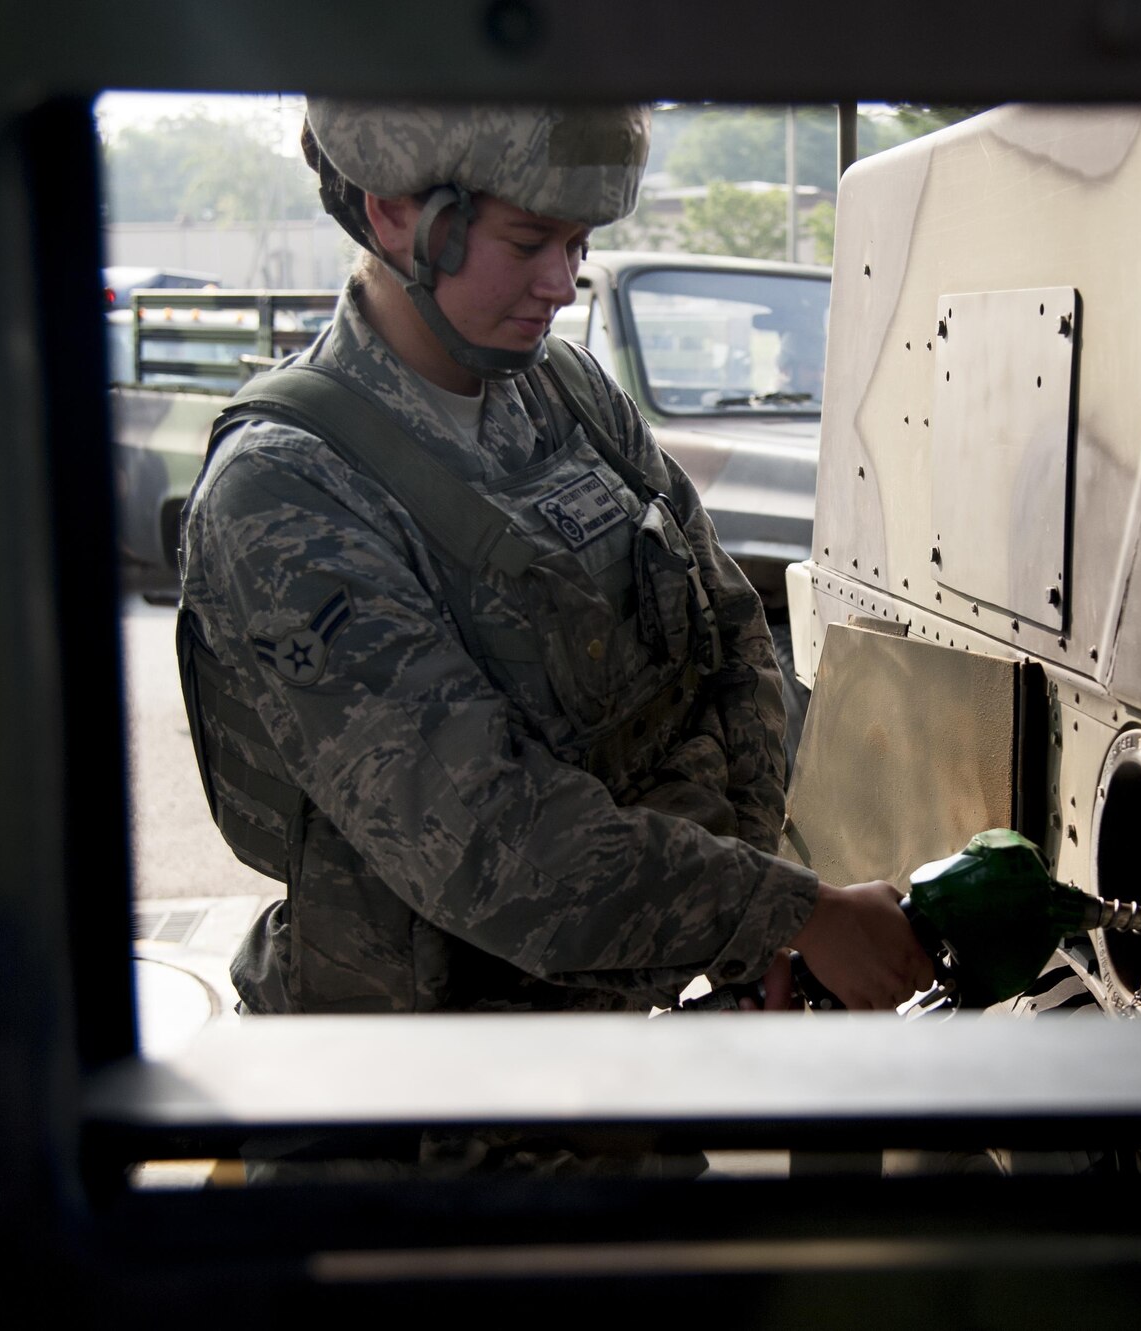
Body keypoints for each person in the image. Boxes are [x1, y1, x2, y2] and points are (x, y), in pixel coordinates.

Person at [176, 100, 931, 1025]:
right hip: (423, 1111)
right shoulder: (286, 489)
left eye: (577, 246)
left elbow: (734, 643)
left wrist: (748, 932)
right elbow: (487, 842)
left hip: (616, 1049)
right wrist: (787, 912)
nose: (562, 284)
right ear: (394, 214)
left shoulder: (571, 397)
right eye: (530, 241)